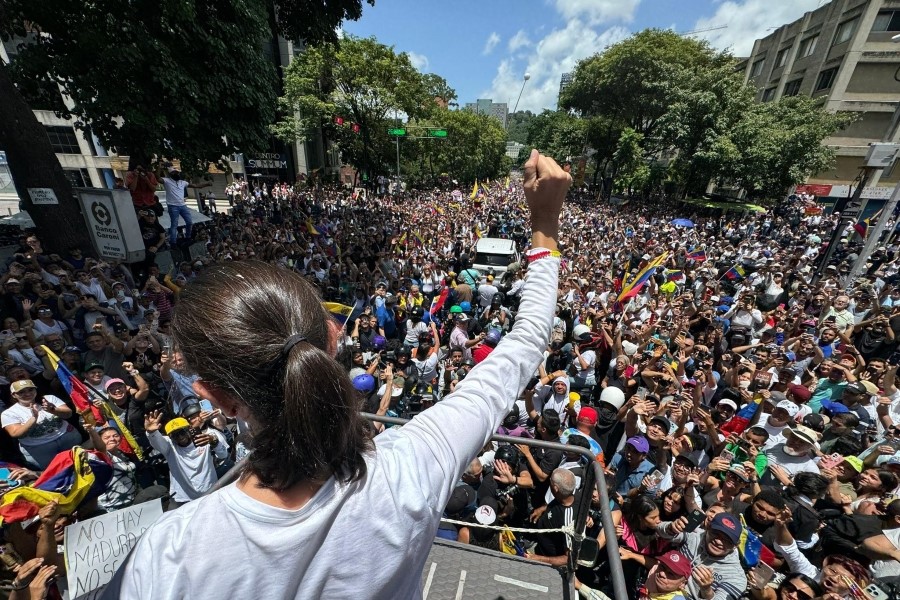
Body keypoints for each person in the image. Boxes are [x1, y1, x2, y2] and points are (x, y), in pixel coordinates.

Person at [103, 149, 569, 597]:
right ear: (332, 338)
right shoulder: (413, 467)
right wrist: (545, 223)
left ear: (216, 397)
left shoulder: (167, 557)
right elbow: (526, 342)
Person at [1, 379, 79, 469]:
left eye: (30, 390)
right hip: (40, 449)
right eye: (21, 392)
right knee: (54, 471)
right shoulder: (9, 413)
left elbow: (68, 414)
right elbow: (16, 433)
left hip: (66, 437)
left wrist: (53, 410)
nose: (27, 394)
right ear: (14, 395)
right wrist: (33, 418)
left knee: (80, 462)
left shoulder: (49, 398)